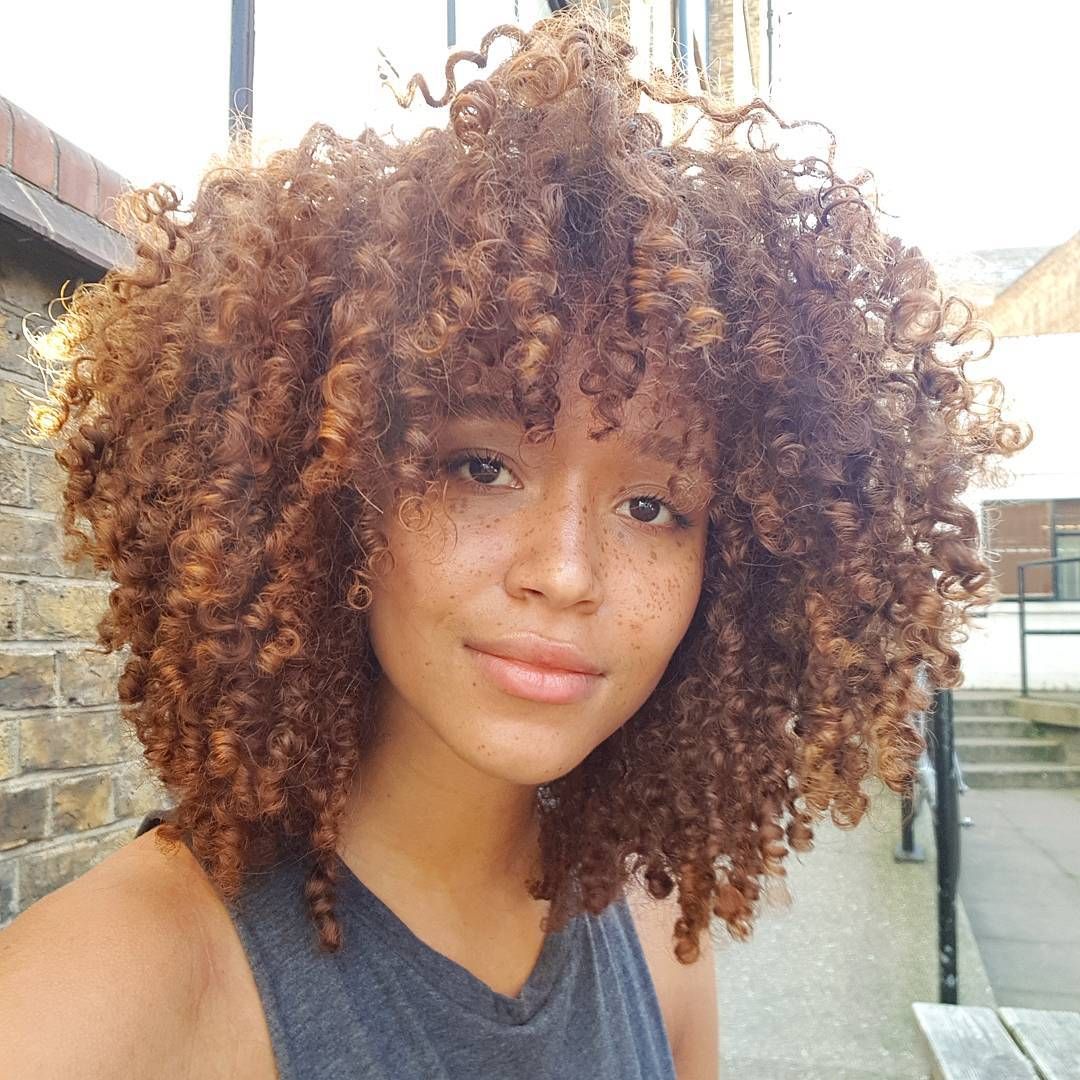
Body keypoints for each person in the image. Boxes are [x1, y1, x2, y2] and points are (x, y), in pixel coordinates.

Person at [0, 4, 1030, 1078]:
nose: (566, 573)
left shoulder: (655, 937)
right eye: (480, 467)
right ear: (329, 485)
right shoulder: (99, 1004)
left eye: (653, 507)